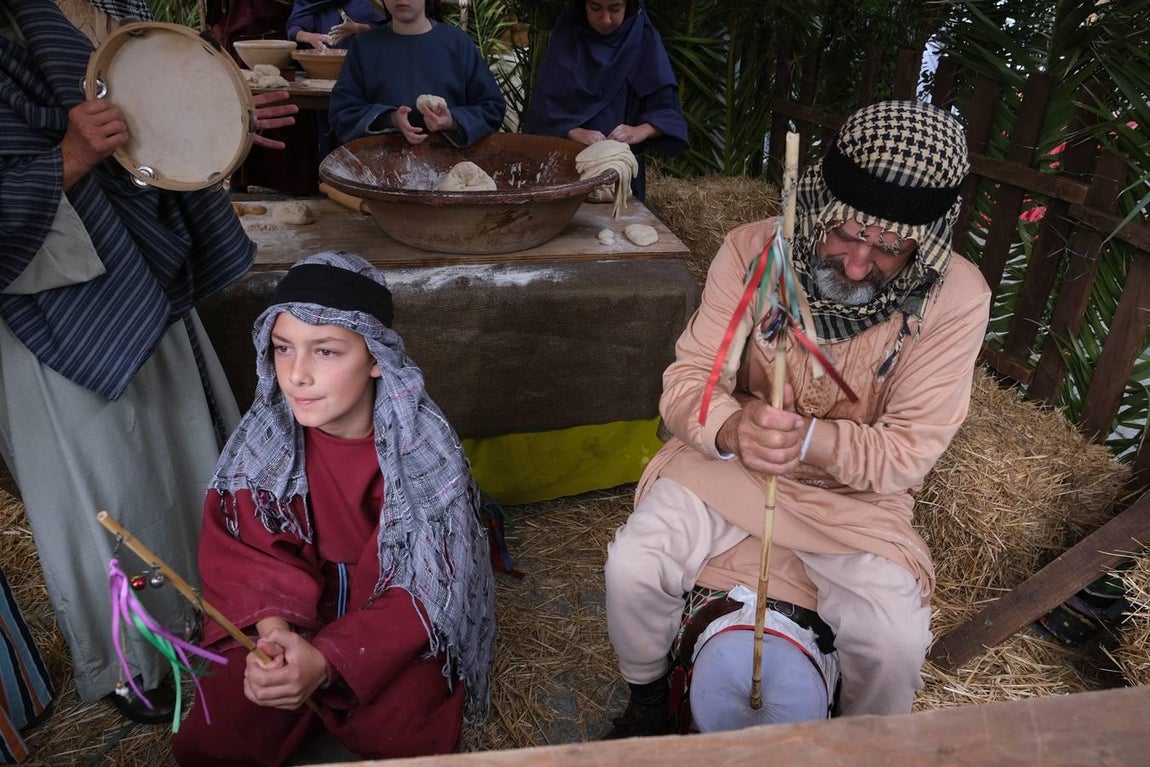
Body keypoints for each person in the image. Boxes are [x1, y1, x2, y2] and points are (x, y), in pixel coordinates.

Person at [604, 100, 992, 735]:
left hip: (854, 502)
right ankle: (647, 704)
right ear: (816, 207)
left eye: (890, 247)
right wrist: (730, 429)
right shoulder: (755, 252)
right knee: (634, 565)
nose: (860, 263)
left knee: (891, 641)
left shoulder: (955, 299)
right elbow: (690, 380)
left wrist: (811, 441)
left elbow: (908, 452)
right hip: (729, 469)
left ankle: (860, 747)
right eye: (844, 234)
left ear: (924, 241)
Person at [0, 0, 296, 725]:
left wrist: (209, 122)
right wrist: (67, 158)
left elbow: (130, 114)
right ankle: (136, 658)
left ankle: (219, 612)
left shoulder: (36, 20)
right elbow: (76, 142)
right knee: (105, 492)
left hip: (132, 272)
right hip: (47, 315)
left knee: (188, 458)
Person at [172, 252, 495, 766]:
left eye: (325, 351)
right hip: (288, 610)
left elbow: (430, 584)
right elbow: (246, 555)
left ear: (375, 359)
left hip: (383, 620)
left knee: (405, 734)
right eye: (283, 349)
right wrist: (275, 638)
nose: (296, 375)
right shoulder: (262, 446)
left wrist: (326, 660)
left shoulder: (425, 452)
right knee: (218, 734)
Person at [522, 0, 687, 200]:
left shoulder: (643, 39)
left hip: (620, 176)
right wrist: (573, 131)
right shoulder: (567, 36)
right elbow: (542, 111)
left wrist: (639, 131)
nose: (605, 19)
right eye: (595, 8)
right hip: (564, 171)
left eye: (615, 9)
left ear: (629, 6)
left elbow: (667, 112)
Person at [328, 0, 505, 148]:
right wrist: (390, 119)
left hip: (450, 167)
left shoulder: (458, 44)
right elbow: (342, 112)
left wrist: (453, 121)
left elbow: (492, 108)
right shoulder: (364, 46)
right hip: (381, 169)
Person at [287, 0, 387, 50]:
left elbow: (384, 31)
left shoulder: (365, 2)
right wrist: (310, 37)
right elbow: (294, 30)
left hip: (362, 65)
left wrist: (357, 28)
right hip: (320, 65)